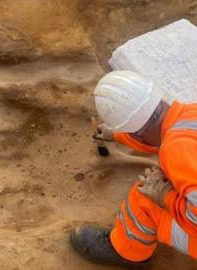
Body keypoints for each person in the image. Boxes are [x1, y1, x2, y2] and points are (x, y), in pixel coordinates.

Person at [69, 70, 197, 267]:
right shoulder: (189, 114)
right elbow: (160, 136)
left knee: (144, 198)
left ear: (137, 134)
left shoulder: (175, 148)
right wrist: (117, 135)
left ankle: (127, 251)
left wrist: (166, 197)